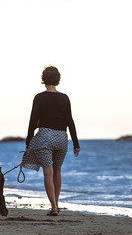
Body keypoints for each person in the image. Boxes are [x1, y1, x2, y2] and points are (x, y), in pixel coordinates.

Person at [21, 65, 80, 216]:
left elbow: (33, 121)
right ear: (58, 80)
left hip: (45, 137)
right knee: (58, 170)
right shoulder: (64, 98)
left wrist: (28, 142)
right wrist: (76, 144)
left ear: (43, 79)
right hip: (62, 138)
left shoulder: (39, 98)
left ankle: (53, 207)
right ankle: (57, 203)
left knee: (48, 172)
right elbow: (70, 121)